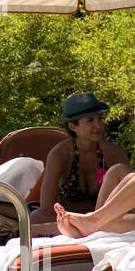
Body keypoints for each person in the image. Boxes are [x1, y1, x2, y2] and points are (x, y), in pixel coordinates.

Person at [33, 92, 131, 232]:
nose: (98, 126)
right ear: (73, 127)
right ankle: (80, 227)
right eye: (90, 120)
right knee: (36, 217)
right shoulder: (59, 155)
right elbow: (47, 207)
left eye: (100, 119)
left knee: (120, 170)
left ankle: (87, 227)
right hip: (69, 218)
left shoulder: (113, 153)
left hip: (105, 218)